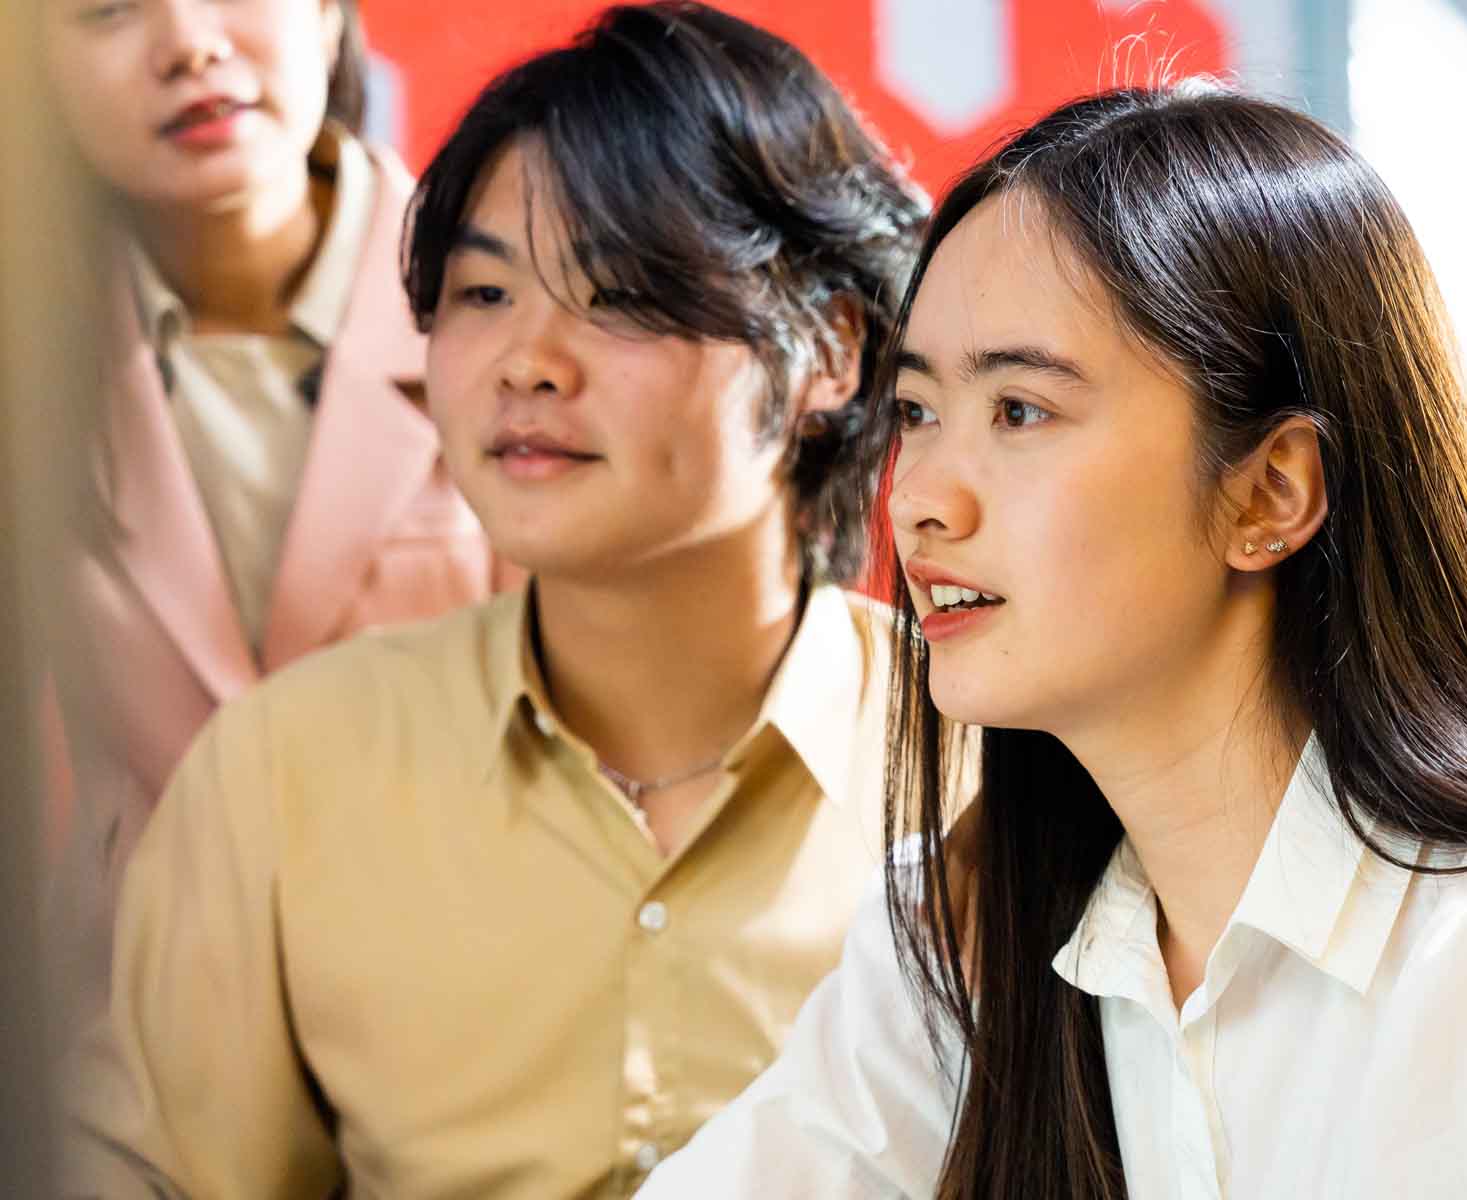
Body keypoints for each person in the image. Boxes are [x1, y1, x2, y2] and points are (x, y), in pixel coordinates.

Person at [640, 84, 1467, 1199]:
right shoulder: (974, 935)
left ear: (1270, 493)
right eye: (918, 410)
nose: (922, 497)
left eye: (1020, 410)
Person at [61, 4, 927, 1197]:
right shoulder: (279, 772)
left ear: (830, 351)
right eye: (482, 294)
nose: (528, 361)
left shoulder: (989, 765)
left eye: (619, 295)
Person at [37, 0, 511, 1037]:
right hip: (141, 1045)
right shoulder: (26, 354)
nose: (189, 43)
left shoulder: (524, 301)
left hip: (484, 1020)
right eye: (107, 10)